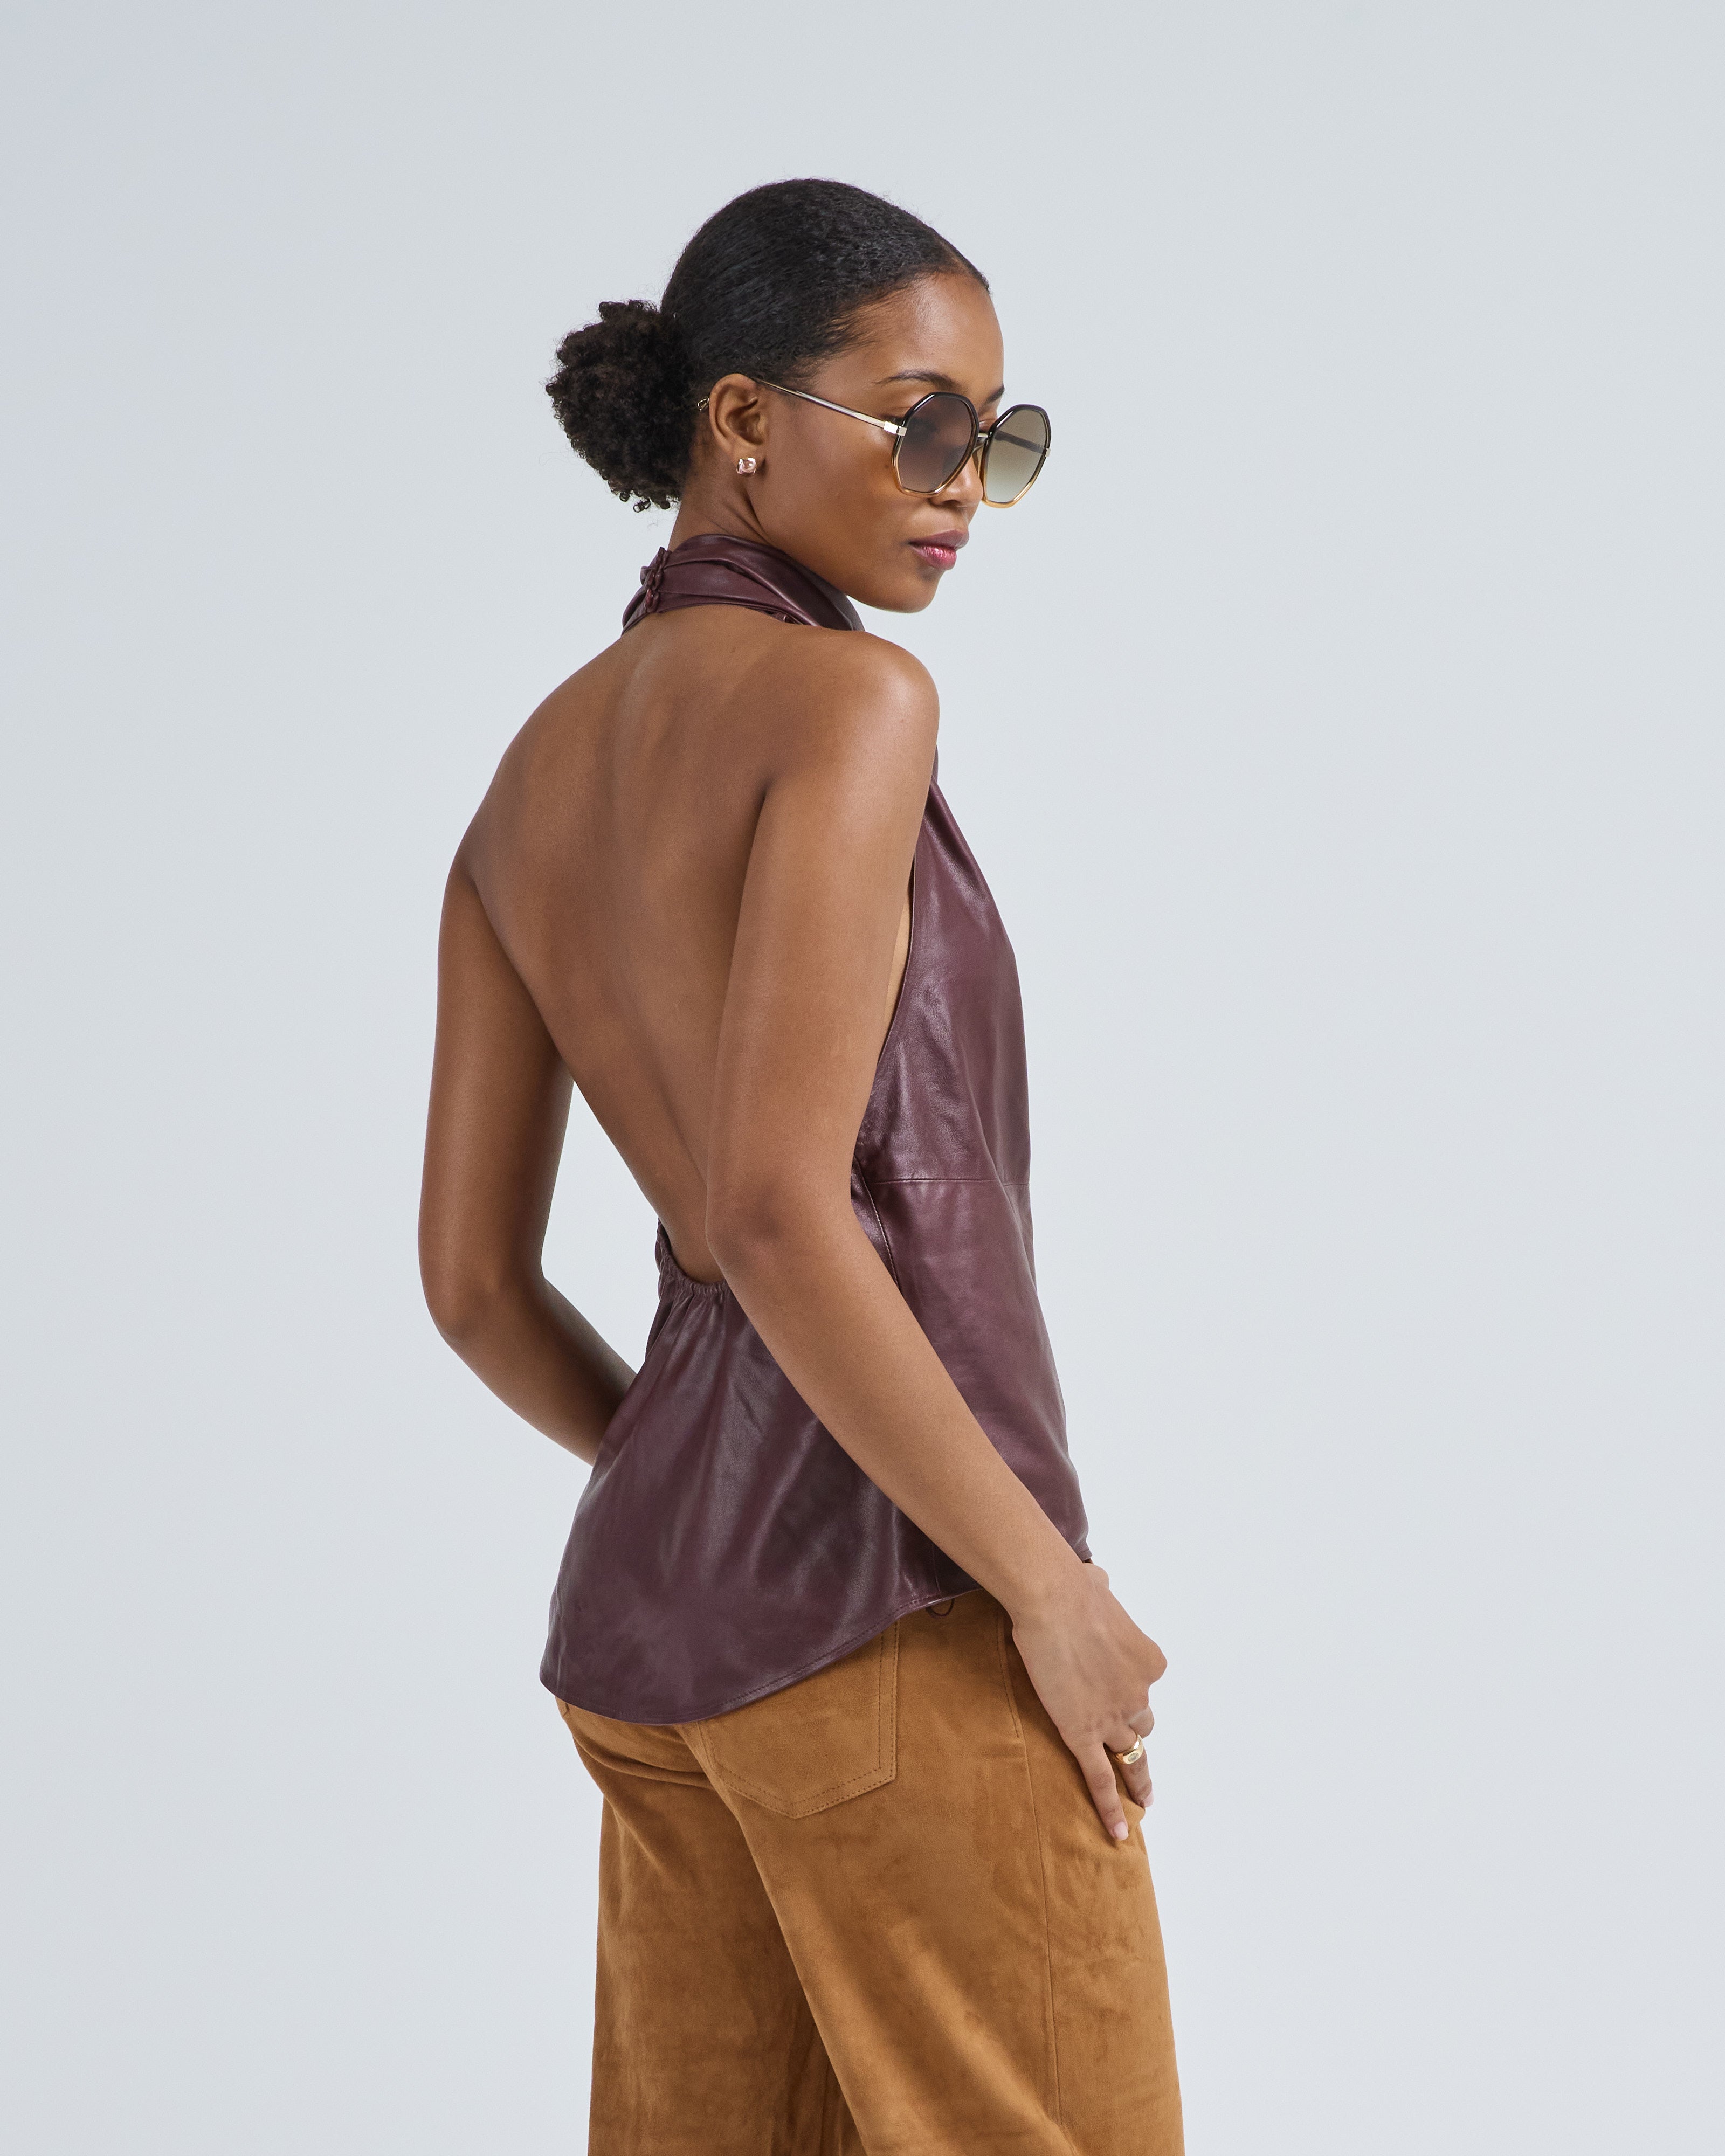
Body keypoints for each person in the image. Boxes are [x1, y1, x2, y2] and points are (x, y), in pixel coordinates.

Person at [419, 178, 1182, 2155]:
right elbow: (774, 1208)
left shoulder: (524, 784)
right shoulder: (854, 703)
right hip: (894, 1618)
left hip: (651, 1655)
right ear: (744, 419)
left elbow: (473, 1290)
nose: (963, 486)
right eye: (922, 426)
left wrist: (699, 1466)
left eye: (997, 439)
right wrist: (1048, 1593)